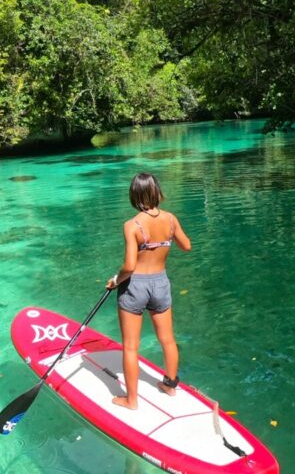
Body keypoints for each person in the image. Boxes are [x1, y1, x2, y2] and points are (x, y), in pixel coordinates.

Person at [105, 172, 192, 410]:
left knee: (131, 346)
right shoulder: (171, 220)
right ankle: (170, 385)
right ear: (156, 191)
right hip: (161, 283)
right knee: (167, 339)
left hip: (135, 286)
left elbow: (130, 266)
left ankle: (131, 400)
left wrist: (115, 280)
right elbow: (187, 246)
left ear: (134, 195)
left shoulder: (131, 226)